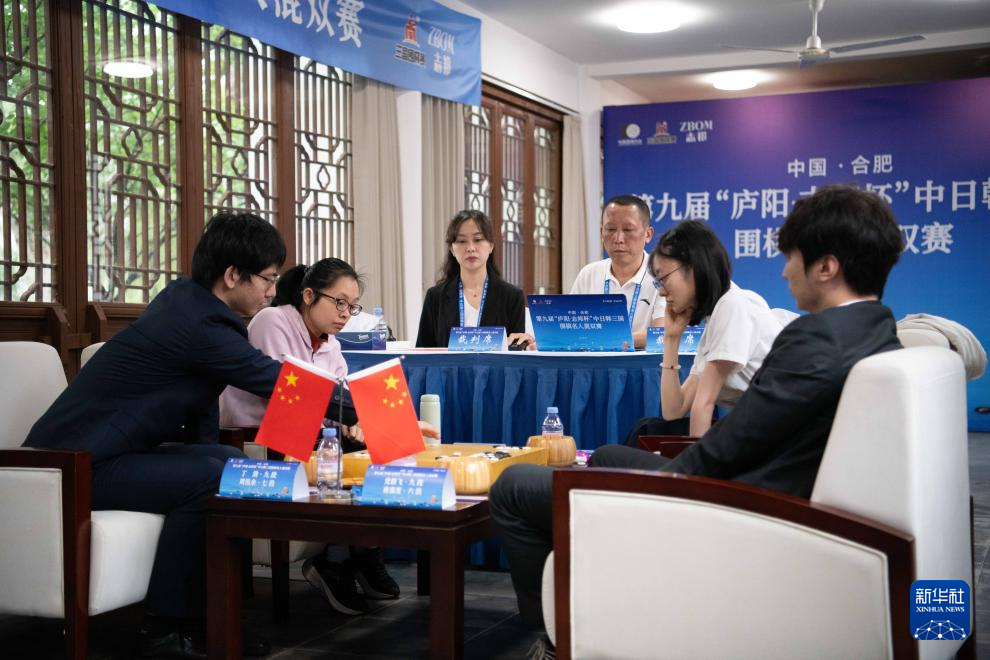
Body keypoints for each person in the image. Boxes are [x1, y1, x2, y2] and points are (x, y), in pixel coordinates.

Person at [490, 185, 904, 631]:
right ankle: (593, 589)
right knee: (608, 455)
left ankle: (557, 633)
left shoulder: (814, 341)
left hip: (734, 508)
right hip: (756, 489)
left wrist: (638, 488)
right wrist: (670, 339)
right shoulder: (874, 333)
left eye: (791, 257)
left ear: (826, 267)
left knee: (514, 484)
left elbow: (729, 445)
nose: (785, 272)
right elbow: (714, 425)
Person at [22, 212, 350, 659]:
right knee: (212, 477)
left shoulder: (192, 306)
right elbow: (276, 381)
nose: (273, 292)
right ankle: (166, 626)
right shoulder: (199, 324)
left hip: (106, 455)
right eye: (269, 279)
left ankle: (210, 617)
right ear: (232, 275)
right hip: (70, 467)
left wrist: (210, 452)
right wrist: (364, 412)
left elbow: (200, 405)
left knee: (228, 465)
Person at [220, 259, 425, 616]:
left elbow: (336, 403)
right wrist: (346, 418)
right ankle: (335, 559)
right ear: (309, 296)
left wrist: (353, 424)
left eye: (353, 306)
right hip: (261, 438)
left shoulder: (331, 345)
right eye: (339, 302)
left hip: (307, 433)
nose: (346, 314)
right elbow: (286, 394)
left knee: (377, 441)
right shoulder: (273, 320)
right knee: (346, 445)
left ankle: (362, 551)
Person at [634, 220, 788, 441]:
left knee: (613, 452)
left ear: (693, 268)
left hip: (778, 437)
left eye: (663, 278)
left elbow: (703, 405)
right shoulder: (715, 317)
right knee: (646, 428)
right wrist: (671, 339)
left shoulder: (732, 305)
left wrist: (697, 463)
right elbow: (674, 410)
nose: (661, 292)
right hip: (761, 432)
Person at [509, 194, 665, 350]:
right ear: (601, 232)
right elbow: (571, 327)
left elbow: (661, 334)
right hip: (592, 363)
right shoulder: (589, 273)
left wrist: (601, 338)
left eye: (628, 229)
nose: (618, 238)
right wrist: (541, 340)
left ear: (648, 234)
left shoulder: (662, 276)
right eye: (610, 229)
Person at [416, 209, 526, 348]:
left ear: (491, 246)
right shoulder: (435, 297)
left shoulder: (512, 297)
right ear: (452, 249)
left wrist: (525, 344)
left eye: (478, 240)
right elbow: (423, 351)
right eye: (462, 241)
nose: (470, 248)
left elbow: (516, 351)